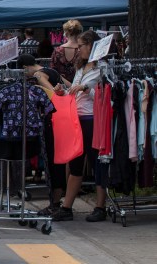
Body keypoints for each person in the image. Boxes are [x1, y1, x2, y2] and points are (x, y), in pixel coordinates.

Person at [52, 30, 107, 223]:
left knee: (97, 162)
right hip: (77, 118)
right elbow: (74, 91)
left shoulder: (103, 68)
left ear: (92, 46)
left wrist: (86, 88)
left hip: (92, 118)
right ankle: (67, 207)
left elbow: (105, 94)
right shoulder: (81, 68)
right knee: (75, 163)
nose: (78, 49)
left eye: (81, 45)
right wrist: (63, 91)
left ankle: (101, 206)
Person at [17, 53, 67, 213]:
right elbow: (69, 87)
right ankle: (57, 201)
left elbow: (54, 93)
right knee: (59, 160)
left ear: (25, 68)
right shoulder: (53, 71)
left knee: (53, 162)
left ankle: (55, 202)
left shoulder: (38, 74)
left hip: (51, 120)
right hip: (63, 119)